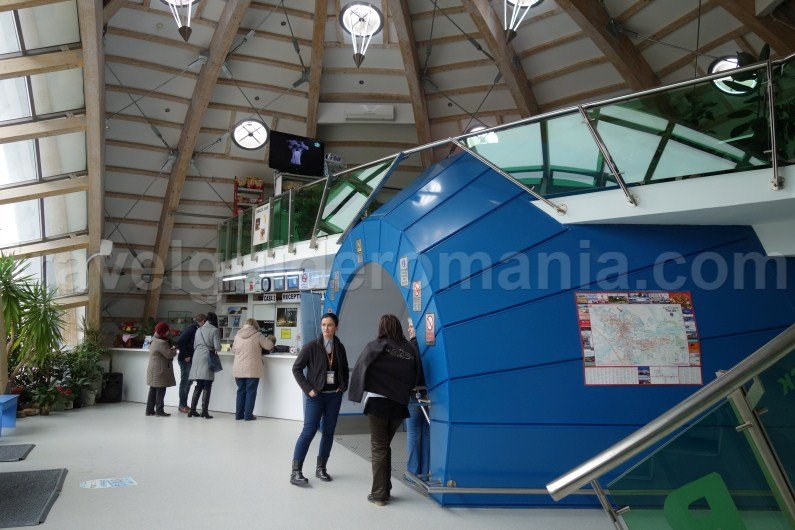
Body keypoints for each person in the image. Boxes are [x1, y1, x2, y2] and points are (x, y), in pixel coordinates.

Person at [349, 314, 422, 506]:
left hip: (378, 403)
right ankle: (386, 489)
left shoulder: (376, 345)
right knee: (384, 446)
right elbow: (416, 374)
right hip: (399, 405)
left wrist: (355, 394)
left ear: (381, 327)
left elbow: (360, 367)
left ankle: (379, 494)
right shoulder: (409, 349)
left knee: (379, 447)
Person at [290, 312, 349, 486]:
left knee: (328, 432)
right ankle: (296, 472)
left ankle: (321, 468)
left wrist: (343, 386)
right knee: (308, 431)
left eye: (329, 325)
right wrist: (308, 390)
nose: (326, 328)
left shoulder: (340, 347)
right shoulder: (311, 346)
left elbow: (344, 369)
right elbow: (296, 369)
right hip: (316, 396)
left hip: (334, 397)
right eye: (323, 325)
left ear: (336, 327)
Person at [232, 319, 274, 421]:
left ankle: (239, 415)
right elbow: (269, 345)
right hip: (252, 368)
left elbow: (233, 350)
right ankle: (248, 416)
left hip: (238, 368)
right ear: (255, 326)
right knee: (251, 392)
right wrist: (269, 339)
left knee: (240, 391)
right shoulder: (258, 335)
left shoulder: (237, 335)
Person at [404, 321, 430, 480]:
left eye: (411, 326)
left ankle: (412, 472)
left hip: (414, 395)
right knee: (426, 433)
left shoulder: (409, 347)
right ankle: (426, 473)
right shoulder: (431, 346)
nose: (408, 329)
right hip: (430, 394)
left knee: (413, 432)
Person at [188, 312, 221, 419]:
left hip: (197, 356)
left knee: (198, 384)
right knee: (207, 384)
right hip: (207, 357)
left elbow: (194, 346)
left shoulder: (198, 329)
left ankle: (192, 410)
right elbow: (218, 347)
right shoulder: (214, 330)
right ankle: (204, 412)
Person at [145, 322, 177, 417]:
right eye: (167, 331)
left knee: (153, 389)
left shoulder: (154, 339)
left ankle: (149, 410)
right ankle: (159, 411)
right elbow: (169, 354)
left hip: (153, 369)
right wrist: (174, 349)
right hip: (160, 370)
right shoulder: (161, 342)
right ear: (163, 331)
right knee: (161, 390)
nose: (168, 332)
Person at [175, 314, 205, 413]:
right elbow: (180, 341)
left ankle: (184, 404)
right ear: (203, 321)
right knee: (185, 383)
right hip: (185, 360)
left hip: (191, 360)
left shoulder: (197, 329)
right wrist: (186, 355)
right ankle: (182, 405)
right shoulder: (192, 329)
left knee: (189, 382)